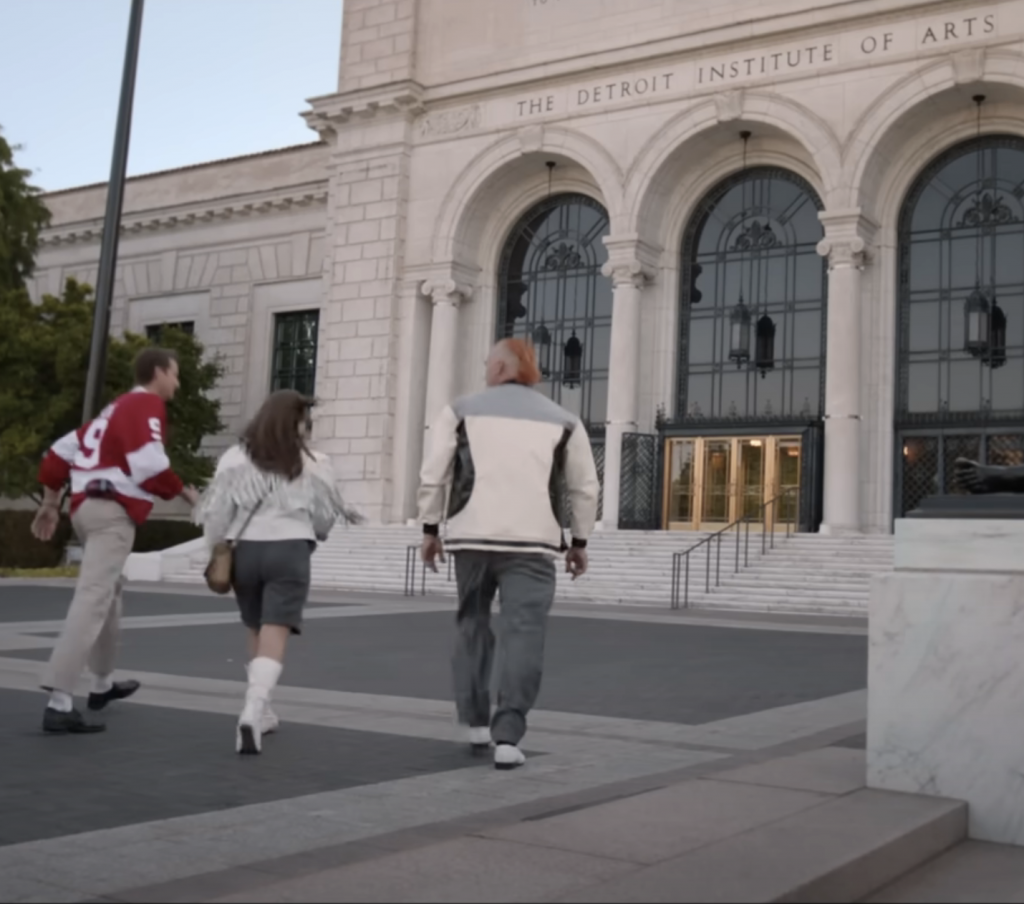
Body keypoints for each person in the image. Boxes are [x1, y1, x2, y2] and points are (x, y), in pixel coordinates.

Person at [418, 338, 600, 771]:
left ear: (501, 368)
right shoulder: (565, 420)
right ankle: (508, 735)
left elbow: (435, 474)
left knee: (472, 623)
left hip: (471, 538)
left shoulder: (460, 411)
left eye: (487, 364)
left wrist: (430, 529)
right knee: (525, 634)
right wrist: (579, 542)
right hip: (533, 544)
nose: (485, 371)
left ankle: (474, 719)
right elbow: (584, 487)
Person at [31, 347, 199, 734]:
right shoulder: (146, 406)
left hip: (86, 510)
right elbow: (150, 463)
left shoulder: (111, 412)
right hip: (111, 514)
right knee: (93, 595)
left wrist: (52, 502)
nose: (176, 382)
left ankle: (102, 684)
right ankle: (58, 699)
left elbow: (57, 453)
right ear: (158, 372)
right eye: (175, 374)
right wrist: (186, 494)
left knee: (109, 592)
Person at [195, 390, 360, 755]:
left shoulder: (235, 458)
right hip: (290, 549)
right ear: (298, 423)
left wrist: (215, 549)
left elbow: (216, 513)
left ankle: (263, 708)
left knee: (255, 625)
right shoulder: (315, 461)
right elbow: (324, 515)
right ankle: (255, 707)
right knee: (277, 627)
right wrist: (316, 533)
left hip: (245, 551)